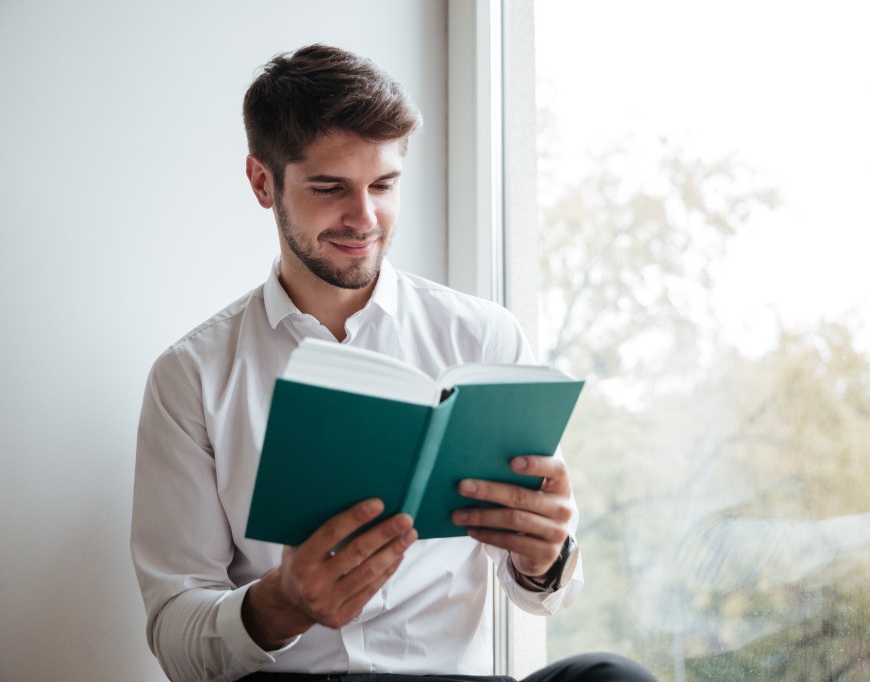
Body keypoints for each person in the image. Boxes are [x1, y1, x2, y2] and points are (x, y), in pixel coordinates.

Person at [131, 44, 656, 682]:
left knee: (611, 675)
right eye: (330, 188)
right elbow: (173, 634)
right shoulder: (192, 376)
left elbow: (538, 590)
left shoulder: (483, 338)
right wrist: (280, 605)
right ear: (263, 182)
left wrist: (546, 556)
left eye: (383, 185)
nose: (365, 217)